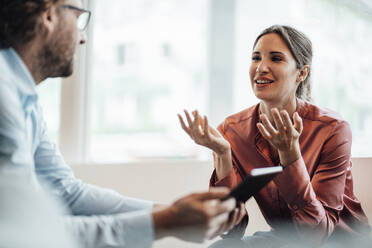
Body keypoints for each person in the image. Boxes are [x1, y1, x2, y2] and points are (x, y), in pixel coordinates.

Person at [0, 0, 246, 247]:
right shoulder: (3, 96)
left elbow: (68, 194)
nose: (82, 38)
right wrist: (168, 221)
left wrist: (176, 212)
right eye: (78, 18)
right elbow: (27, 233)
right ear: (49, 16)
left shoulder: (23, 98)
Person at [178, 25, 371, 247]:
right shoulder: (232, 130)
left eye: (276, 59)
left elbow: (316, 234)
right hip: (285, 239)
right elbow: (231, 231)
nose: (261, 67)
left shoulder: (333, 129)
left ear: (301, 73)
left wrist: (291, 157)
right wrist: (222, 154)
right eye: (256, 58)